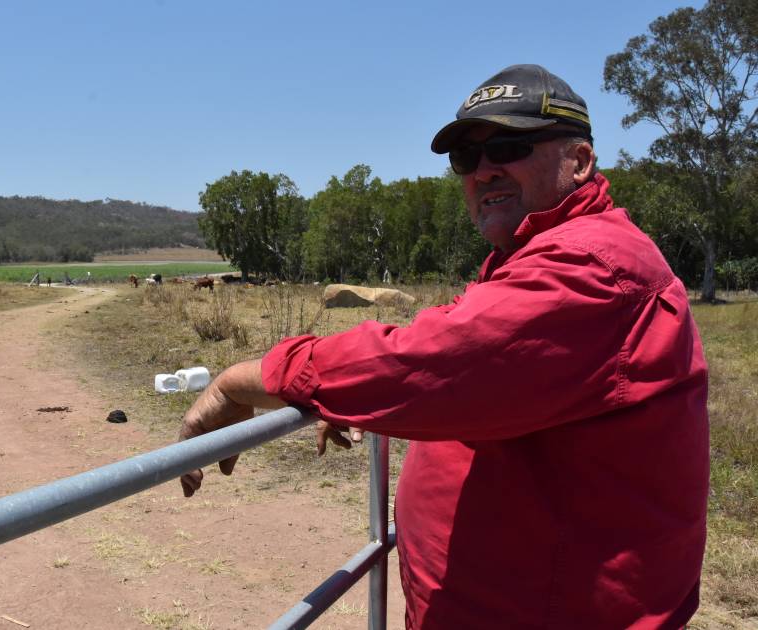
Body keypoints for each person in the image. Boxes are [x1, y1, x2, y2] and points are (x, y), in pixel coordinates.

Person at [177, 64, 708, 629]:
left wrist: (240, 381)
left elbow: (422, 362)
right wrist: (349, 400)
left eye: (509, 146)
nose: (483, 171)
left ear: (578, 162)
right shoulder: (534, 255)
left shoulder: (590, 267)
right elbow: (475, 375)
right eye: (466, 159)